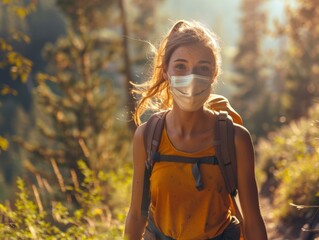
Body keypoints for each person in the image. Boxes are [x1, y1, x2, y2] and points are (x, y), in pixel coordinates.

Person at [124, 20, 268, 240]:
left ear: (214, 74)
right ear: (166, 72)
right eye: (180, 66)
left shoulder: (235, 139)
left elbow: (253, 221)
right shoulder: (147, 136)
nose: (191, 78)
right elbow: (136, 216)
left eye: (203, 68)